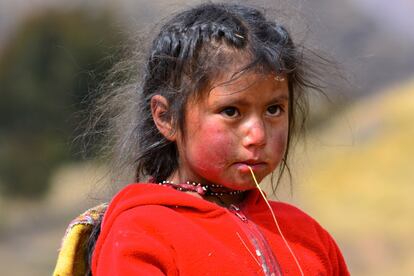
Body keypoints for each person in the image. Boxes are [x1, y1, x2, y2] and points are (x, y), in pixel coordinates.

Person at [56, 2, 350, 275]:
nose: (258, 135)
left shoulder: (308, 237)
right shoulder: (140, 232)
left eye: (274, 109)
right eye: (231, 111)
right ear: (166, 117)